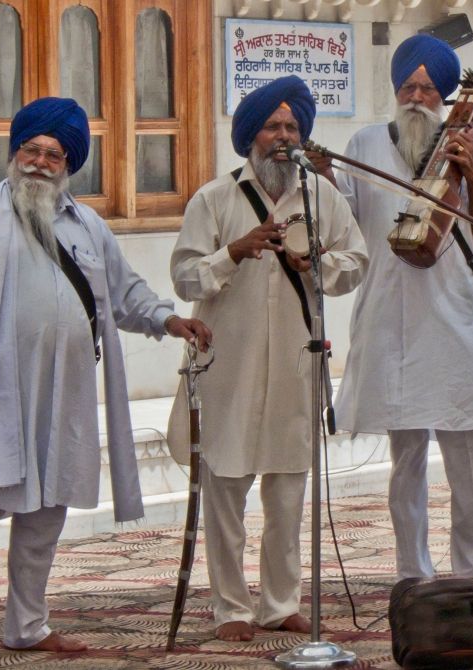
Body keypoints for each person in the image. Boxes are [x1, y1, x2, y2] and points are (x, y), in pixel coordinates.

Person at [0, 97, 212, 668]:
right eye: (32, 149)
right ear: (14, 152)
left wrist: (169, 320)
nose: (41, 161)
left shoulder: (87, 225)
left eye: (54, 153)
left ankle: (26, 624)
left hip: (64, 391)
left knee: (45, 513)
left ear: (69, 163)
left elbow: (125, 294)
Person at [170, 76, 366, 642]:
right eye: (272, 126)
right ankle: (231, 608)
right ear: (250, 135)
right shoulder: (214, 198)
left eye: (292, 127)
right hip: (228, 366)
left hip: (294, 367)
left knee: (287, 494)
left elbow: (356, 263)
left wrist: (317, 264)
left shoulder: (320, 195)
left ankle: (281, 604)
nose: (283, 136)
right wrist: (233, 251)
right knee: (225, 494)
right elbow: (184, 275)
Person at [316, 34, 473, 580]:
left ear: (446, 97)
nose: (416, 96)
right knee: (405, 466)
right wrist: (326, 176)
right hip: (390, 322)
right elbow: (346, 223)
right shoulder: (364, 143)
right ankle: (413, 577)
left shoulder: (471, 145)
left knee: (470, 464)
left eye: (428, 89)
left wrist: (471, 169)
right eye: (408, 86)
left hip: (456, 321)